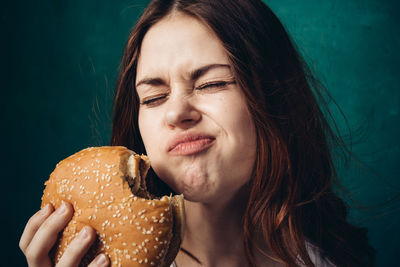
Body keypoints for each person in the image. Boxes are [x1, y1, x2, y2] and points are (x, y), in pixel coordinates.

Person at [20, 0, 375, 266]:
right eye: (154, 97)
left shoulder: (333, 257)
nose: (176, 113)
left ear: (273, 97)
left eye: (212, 83)